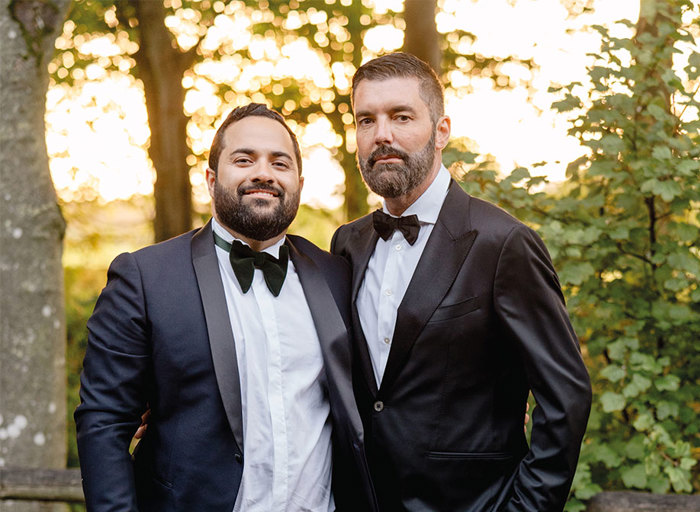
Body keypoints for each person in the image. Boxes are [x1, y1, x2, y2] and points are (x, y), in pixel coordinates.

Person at [75, 103, 376, 511]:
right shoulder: (146, 278)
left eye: (280, 162)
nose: (264, 173)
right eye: (244, 159)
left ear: (299, 183)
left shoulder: (337, 275)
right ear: (211, 178)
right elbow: (104, 422)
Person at [331, 52, 592, 511]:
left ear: (442, 131)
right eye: (366, 120)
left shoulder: (504, 243)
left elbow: (565, 397)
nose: (382, 135)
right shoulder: (346, 244)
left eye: (401, 116)